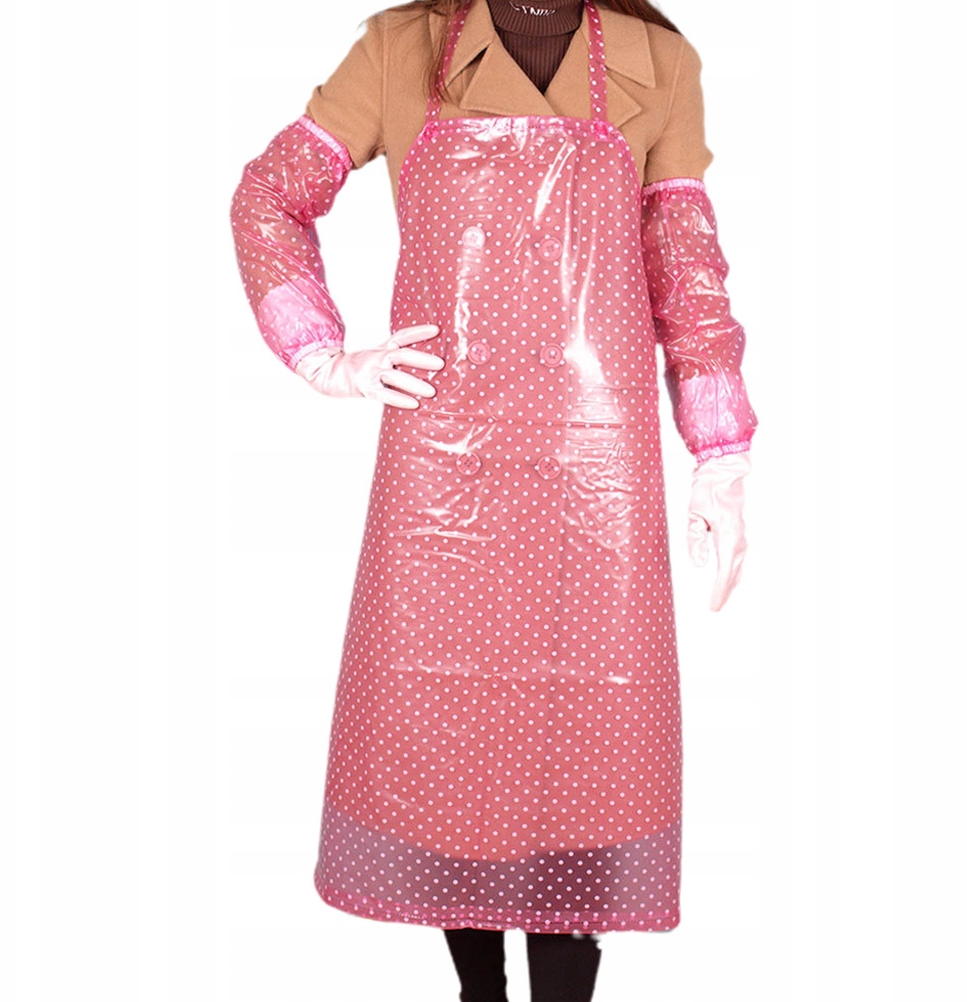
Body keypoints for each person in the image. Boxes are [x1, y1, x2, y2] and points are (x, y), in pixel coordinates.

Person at [230, 1, 757, 999]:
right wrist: (320, 352)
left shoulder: (658, 61)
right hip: (444, 470)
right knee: (450, 729)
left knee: (588, 738)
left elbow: (685, 269)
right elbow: (269, 197)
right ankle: (479, 993)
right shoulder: (401, 49)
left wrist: (721, 452)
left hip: (596, 472)